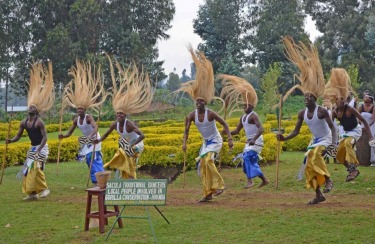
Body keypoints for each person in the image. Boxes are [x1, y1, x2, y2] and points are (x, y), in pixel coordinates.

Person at [276, 36, 337, 205]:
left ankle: (328, 179)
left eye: (309, 96)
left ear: (315, 99)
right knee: (309, 166)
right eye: (305, 96)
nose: (306, 98)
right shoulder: (302, 113)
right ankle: (318, 194)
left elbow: (332, 128)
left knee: (315, 154)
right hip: (314, 140)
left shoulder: (322, 111)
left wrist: (332, 144)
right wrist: (284, 138)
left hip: (324, 139)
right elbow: (295, 131)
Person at [178, 46, 233, 203]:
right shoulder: (191, 116)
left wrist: (229, 138)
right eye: (197, 101)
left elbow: (225, 124)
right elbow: (186, 131)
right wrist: (184, 143)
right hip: (205, 143)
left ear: (205, 102)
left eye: (202, 101)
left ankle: (220, 185)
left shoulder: (210, 114)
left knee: (208, 160)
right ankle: (207, 193)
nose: (199, 103)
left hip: (215, 140)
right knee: (202, 167)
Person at [94, 56, 153, 179]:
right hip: (127, 146)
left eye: (121, 114)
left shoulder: (129, 124)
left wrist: (132, 145)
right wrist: (98, 141)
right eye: (117, 114)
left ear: (125, 115)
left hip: (137, 145)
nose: (119, 115)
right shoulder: (114, 124)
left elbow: (142, 135)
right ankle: (128, 178)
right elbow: (106, 134)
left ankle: (113, 167)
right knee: (125, 156)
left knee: (125, 153)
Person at [6, 62, 54, 200]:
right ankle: (32, 193)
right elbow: (18, 136)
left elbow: (45, 138)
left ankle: (44, 189)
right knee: (28, 170)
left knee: (37, 167)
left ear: (36, 111)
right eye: (30, 107)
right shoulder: (24, 122)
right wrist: (11, 140)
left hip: (42, 147)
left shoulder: (39, 122)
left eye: (33, 107)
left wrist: (39, 149)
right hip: (33, 148)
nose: (31, 108)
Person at [59, 60, 107, 185]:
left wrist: (91, 136)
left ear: (85, 110)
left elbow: (96, 128)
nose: (79, 110)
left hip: (95, 139)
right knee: (88, 160)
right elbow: (69, 132)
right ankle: (96, 180)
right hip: (87, 141)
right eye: (78, 108)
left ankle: (100, 180)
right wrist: (63, 136)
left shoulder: (88, 117)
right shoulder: (76, 120)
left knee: (94, 158)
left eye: (81, 109)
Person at [219, 74, 269, 188]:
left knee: (247, 157)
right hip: (249, 142)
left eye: (247, 105)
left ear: (252, 106)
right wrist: (226, 132)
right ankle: (263, 179)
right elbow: (237, 130)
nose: (244, 107)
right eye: (243, 105)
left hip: (256, 142)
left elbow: (261, 128)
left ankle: (250, 181)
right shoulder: (242, 117)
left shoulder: (253, 115)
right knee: (247, 161)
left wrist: (254, 139)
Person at [327, 68, 374, 181]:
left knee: (348, 143)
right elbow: (331, 125)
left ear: (345, 100)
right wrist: (331, 139)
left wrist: (371, 136)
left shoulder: (350, 109)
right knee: (338, 155)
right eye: (338, 100)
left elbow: (363, 120)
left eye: (342, 99)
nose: (340, 102)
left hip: (355, 131)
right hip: (346, 133)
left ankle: (354, 164)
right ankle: (352, 170)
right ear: (335, 100)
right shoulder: (334, 111)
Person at [356, 93, 374, 166]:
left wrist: (368, 126)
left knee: (370, 143)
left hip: (371, 127)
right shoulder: (361, 107)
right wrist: (359, 122)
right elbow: (357, 115)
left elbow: (373, 118)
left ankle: (370, 161)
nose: (365, 98)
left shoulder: (373, 107)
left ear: (370, 99)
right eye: (364, 97)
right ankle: (360, 160)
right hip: (361, 127)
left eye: (367, 97)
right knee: (360, 143)